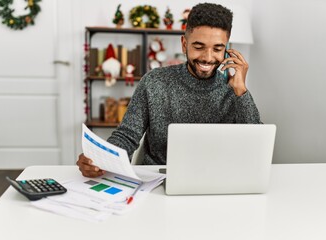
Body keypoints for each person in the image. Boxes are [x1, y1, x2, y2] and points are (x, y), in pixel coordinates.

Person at [77, 3, 261, 177]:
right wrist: (101, 160)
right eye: (198, 47)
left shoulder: (234, 89)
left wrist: (241, 91)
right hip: (157, 179)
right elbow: (127, 135)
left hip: (215, 178)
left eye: (217, 49)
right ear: (184, 44)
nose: (208, 57)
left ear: (227, 50)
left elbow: (256, 146)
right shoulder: (154, 81)